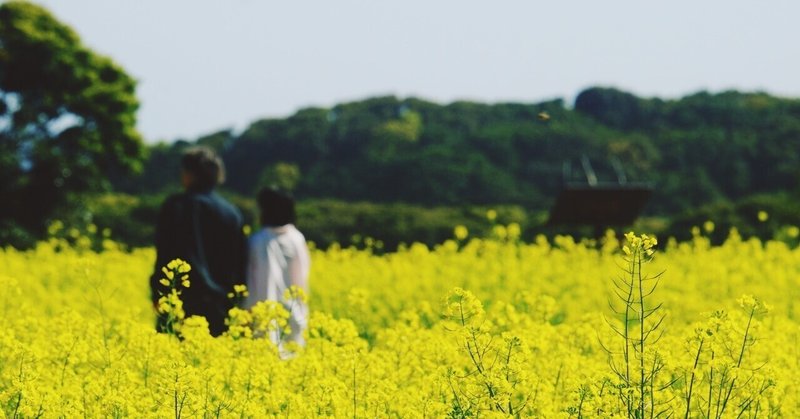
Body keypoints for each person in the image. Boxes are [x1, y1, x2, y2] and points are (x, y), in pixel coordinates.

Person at [150, 147, 246, 337]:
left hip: (177, 302)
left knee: (172, 363)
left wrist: (157, 293)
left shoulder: (175, 206)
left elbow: (165, 254)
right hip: (220, 305)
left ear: (189, 174)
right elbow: (240, 263)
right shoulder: (231, 213)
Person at [243, 187, 310, 351]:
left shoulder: (256, 241)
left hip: (260, 316)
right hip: (293, 315)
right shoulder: (297, 239)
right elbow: (303, 279)